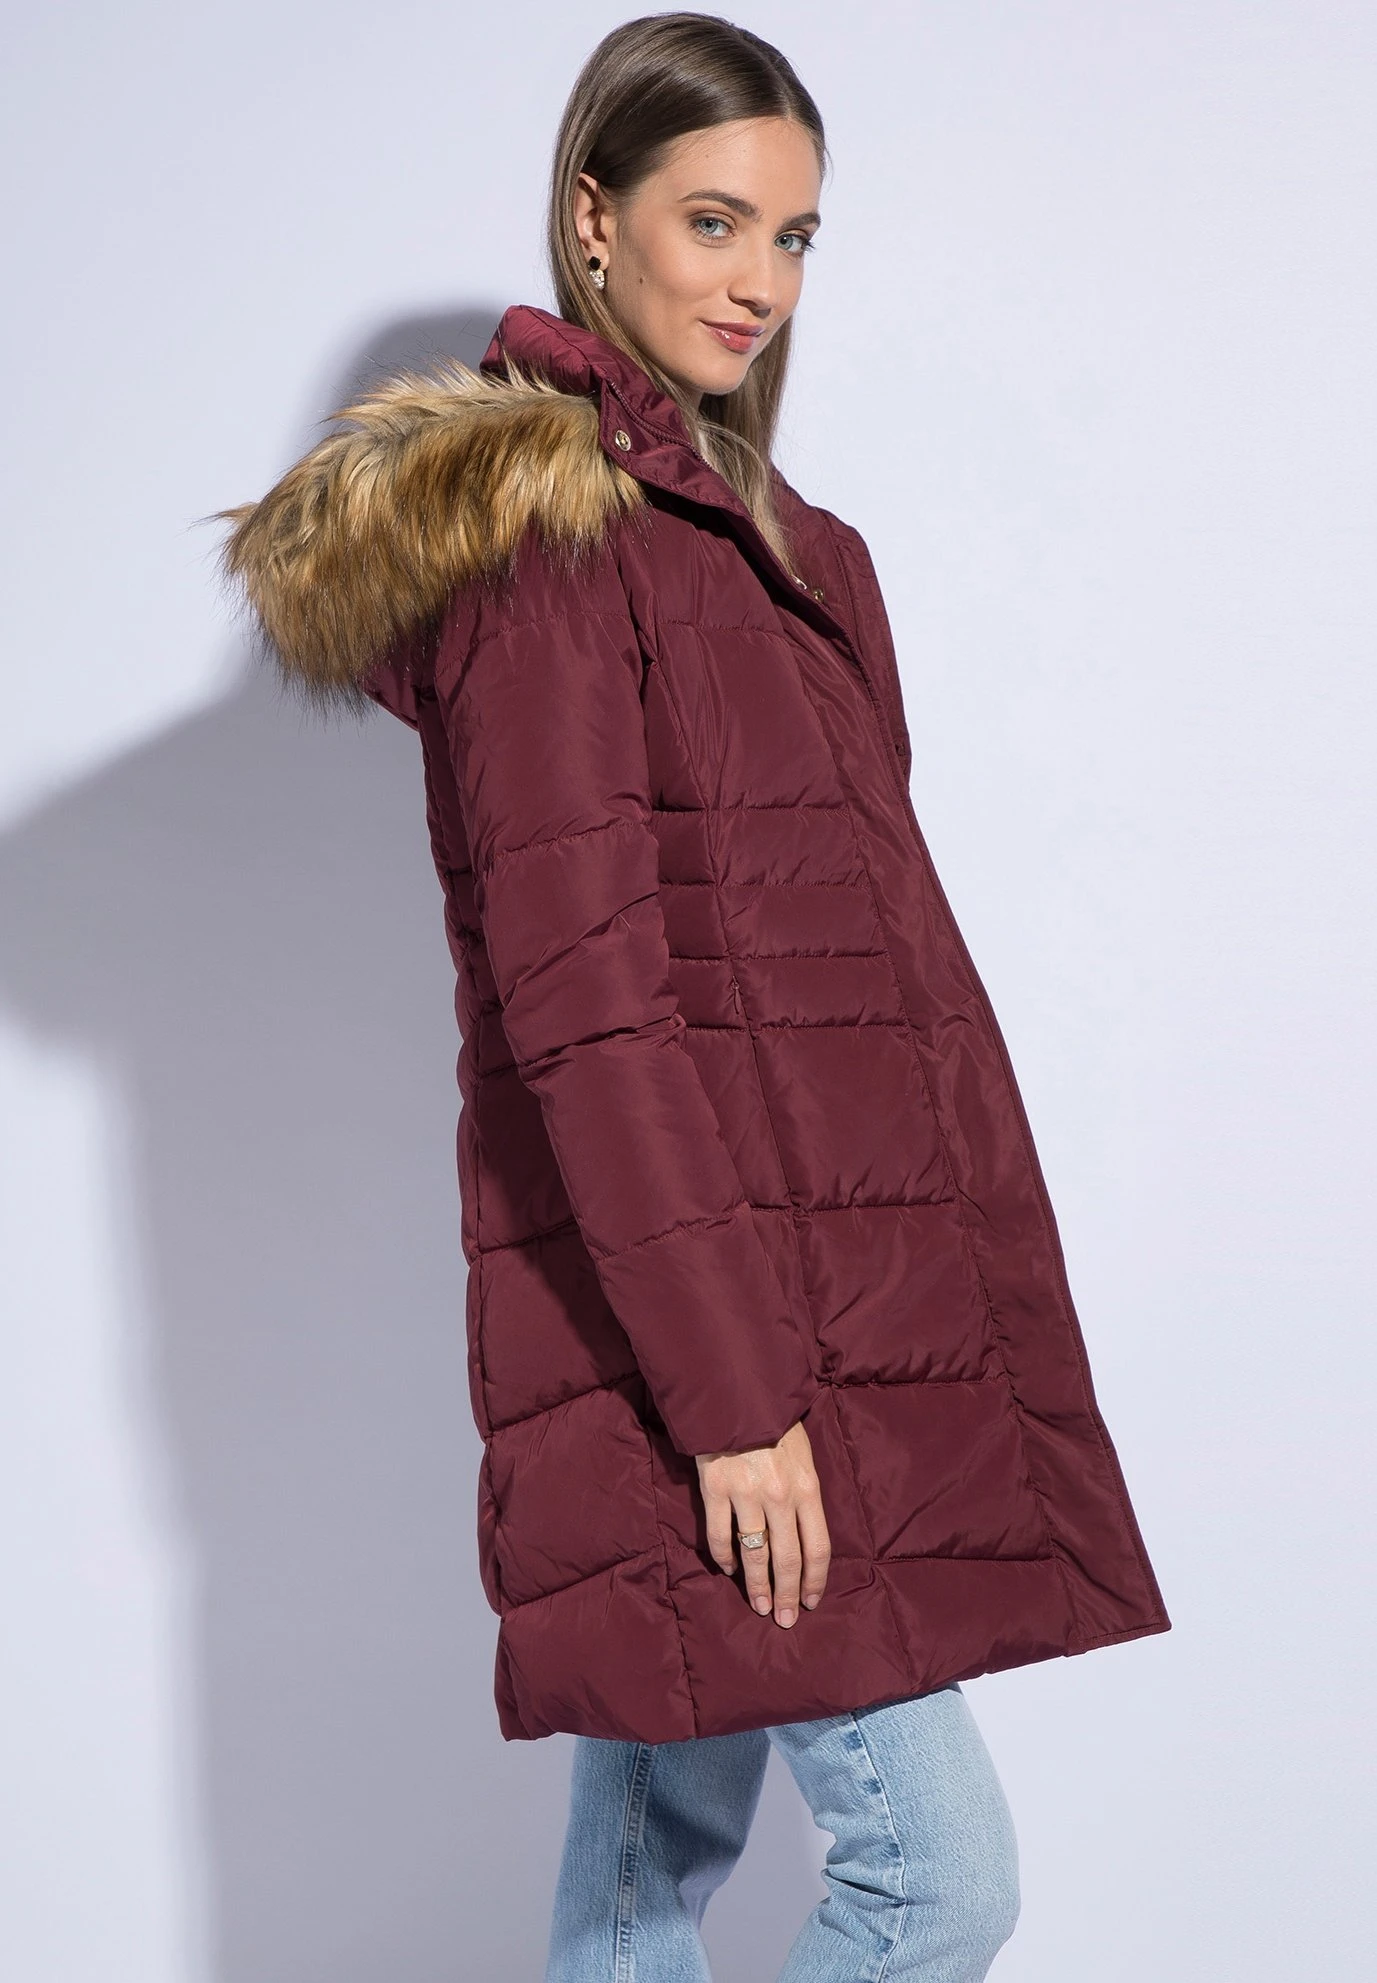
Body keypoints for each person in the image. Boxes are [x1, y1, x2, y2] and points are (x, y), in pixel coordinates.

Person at [221, 13, 1170, 1979]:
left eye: (794, 236)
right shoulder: (550, 548)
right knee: (937, 1884)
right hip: (720, 1363)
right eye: (713, 221)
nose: (758, 281)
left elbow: (866, 997)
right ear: (595, 219)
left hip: (840, 1333)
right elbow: (590, 1020)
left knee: (648, 1878)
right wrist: (737, 1406)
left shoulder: (799, 561)